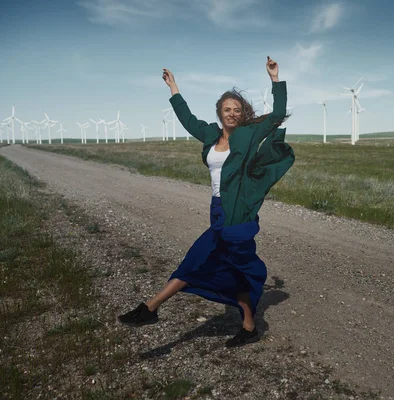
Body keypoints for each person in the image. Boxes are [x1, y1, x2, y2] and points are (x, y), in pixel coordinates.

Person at [118, 57, 294, 348]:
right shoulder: (211, 135)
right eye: (227, 109)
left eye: (237, 110)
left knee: (198, 260)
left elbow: (276, 114)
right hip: (217, 210)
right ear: (219, 112)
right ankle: (249, 326)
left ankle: (150, 307)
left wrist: (275, 80)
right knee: (231, 269)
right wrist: (174, 89)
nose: (232, 114)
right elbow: (187, 120)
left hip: (237, 214)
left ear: (243, 114)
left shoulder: (250, 135)